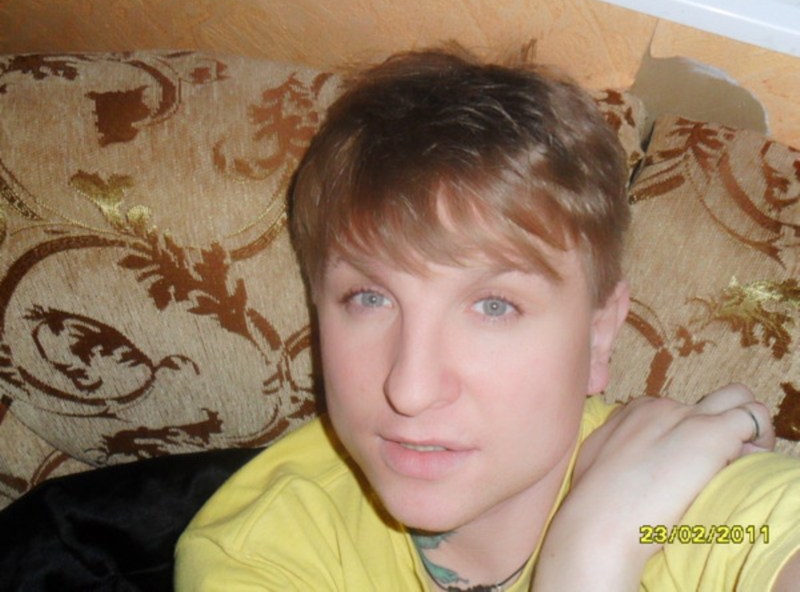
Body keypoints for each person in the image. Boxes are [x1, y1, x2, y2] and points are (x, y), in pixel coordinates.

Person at [175, 48, 800, 590]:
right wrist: (588, 566)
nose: (410, 390)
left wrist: (607, 539)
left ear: (599, 332)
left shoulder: (692, 514)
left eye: (494, 306)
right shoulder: (264, 551)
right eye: (369, 297)